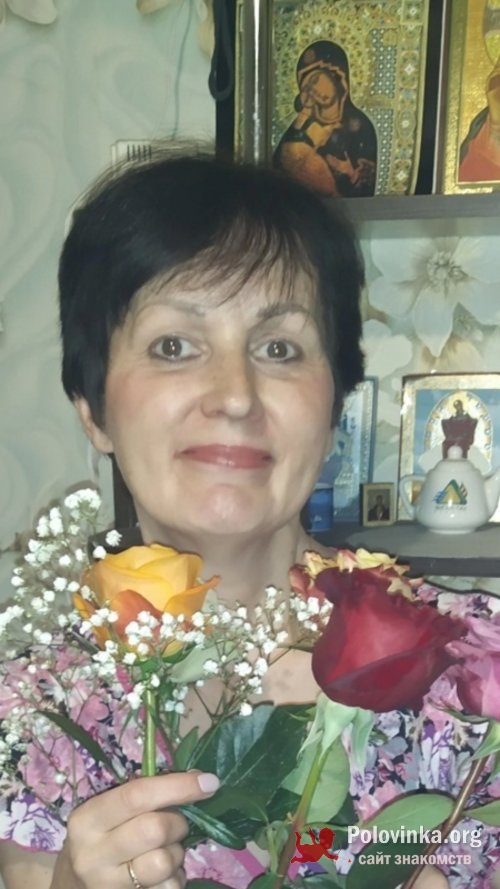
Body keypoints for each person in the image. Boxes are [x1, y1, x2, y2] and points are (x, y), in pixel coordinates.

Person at [0, 151, 497, 889]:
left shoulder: (475, 670)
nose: (234, 395)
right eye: (174, 346)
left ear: (334, 406)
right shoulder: (35, 712)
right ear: (93, 409)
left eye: (279, 348)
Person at [274, 40, 377, 197]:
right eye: (306, 87)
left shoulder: (361, 126)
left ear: (336, 74)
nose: (314, 90)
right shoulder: (301, 127)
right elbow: (278, 173)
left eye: (315, 80)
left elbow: (365, 190)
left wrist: (351, 173)